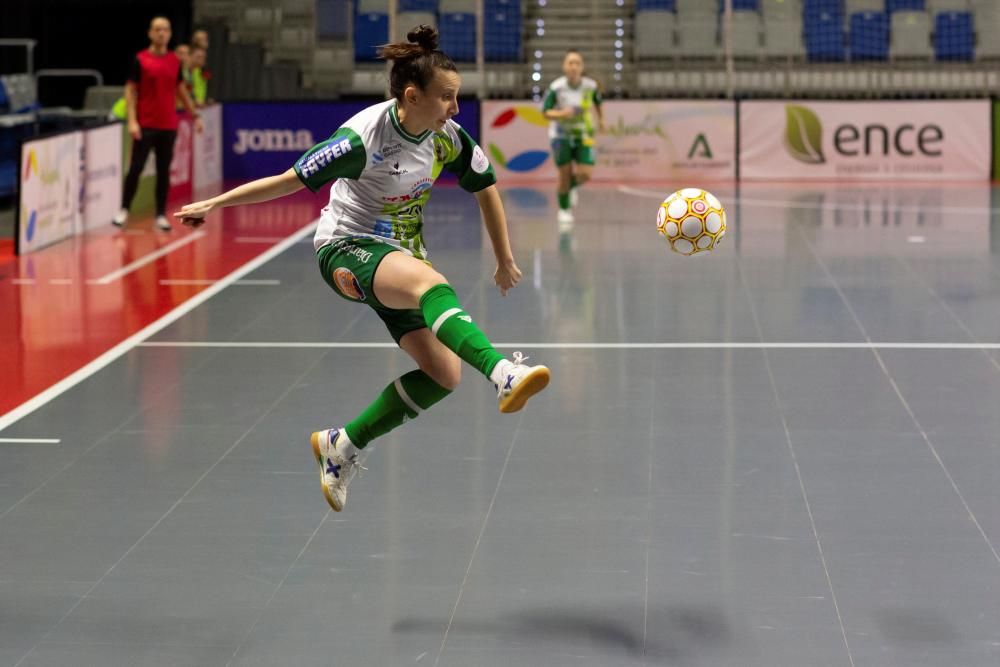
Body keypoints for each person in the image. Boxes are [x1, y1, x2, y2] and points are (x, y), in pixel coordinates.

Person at [174, 25, 551, 512]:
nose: (456, 109)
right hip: (344, 248)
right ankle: (501, 373)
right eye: (447, 99)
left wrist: (504, 258)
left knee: (442, 375)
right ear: (412, 96)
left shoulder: (446, 136)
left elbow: (485, 187)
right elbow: (288, 180)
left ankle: (342, 445)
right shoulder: (361, 138)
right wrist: (216, 202)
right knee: (428, 283)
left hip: (399, 256)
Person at [112, 16, 203, 232]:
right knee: (135, 168)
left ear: (170, 34)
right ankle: (124, 209)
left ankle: (160, 214)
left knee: (164, 172)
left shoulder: (174, 61)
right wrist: (132, 121)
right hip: (145, 125)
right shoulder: (141, 60)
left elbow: (181, 90)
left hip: (168, 126)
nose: (161, 33)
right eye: (157, 29)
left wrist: (195, 116)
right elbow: (130, 91)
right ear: (151, 33)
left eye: (165, 29)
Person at [542, 50, 605, 232]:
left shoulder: (590, 86)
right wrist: (563, 113)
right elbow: (546, 112)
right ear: (564, 66)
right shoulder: (557, 87)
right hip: (561, 136)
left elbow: (598, 103)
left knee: (586, 173)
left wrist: (601, 120)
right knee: (564, 173)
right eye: (570, 62)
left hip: (584, 134)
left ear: (582, 67)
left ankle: (570, 188)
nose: (574, 66)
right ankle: (564, 210)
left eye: (577, 62)